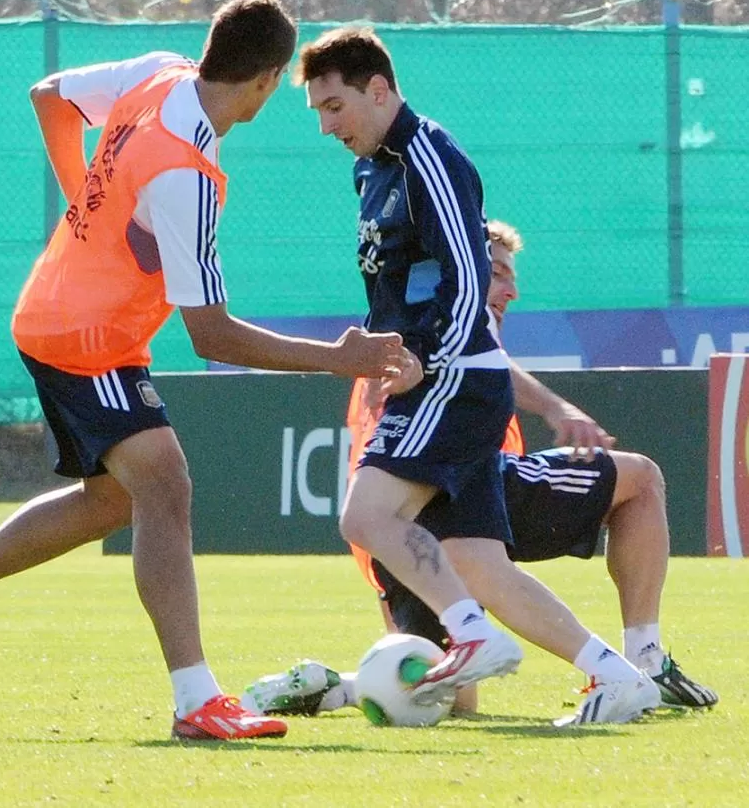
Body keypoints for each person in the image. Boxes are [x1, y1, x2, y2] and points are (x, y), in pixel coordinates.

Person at [0, 0, 416, 743]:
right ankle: (196, 699)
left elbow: (49, 98)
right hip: (81, 335)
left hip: (67, 320)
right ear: (267, 80)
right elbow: (213, 335)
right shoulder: (188, 177)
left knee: (112, 500)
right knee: (164, 483)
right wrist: (338, 361)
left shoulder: (159, 73)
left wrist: (80, 209)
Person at [279, 26, 660, 726]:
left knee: (365, 515)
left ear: (380, 90)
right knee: (482, 565)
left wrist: (423, 354)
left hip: (453, 378)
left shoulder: (432, 158)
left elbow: (467, 277)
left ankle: (476, 638)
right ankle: (620, 677)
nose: (329, 126)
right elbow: (398, 286)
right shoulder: (371, 170)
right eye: (319, 113)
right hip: (435, 373)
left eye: (336, 107)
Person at [243, 220, 718, 719]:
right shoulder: (438, 320)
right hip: (455, 492)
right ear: (464, 270)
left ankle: (332, 686)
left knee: (445, 691)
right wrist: (556, 409)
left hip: (403, 539)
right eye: (495, 273)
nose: (509, 290)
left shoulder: (415, 324)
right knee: (638, 480)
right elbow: (472, 362)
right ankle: (633, 668)